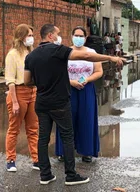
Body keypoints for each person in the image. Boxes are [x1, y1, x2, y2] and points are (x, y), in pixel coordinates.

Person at [24, 24, 125, 186]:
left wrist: (43, 83)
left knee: (43, 138)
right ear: (50, 36)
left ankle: (45, 175)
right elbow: (85, 57)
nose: (59, 37)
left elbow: (27, 81)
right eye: (57, 34)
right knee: (68, 135)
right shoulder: (58, 51)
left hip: (42, 102)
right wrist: (110, 58)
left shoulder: (31, 56)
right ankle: (71, 175)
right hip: (59, 101)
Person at [55, 26, 103, 163]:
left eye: (81, 36)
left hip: (86, 89)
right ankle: (63, 151)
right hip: (67, 89)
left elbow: (98, 71)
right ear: (71, 36)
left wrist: (86, 79)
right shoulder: (65, 52)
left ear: (85, 38)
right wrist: (71, 82)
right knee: (65, 120)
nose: (78, 38)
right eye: (76, 35)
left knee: (86, 119)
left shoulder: (91, 52)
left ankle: (86, 151)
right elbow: (58, 73)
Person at [4, 24, 39, 172]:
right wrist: (15, 102)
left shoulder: (31, 53)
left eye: (32, 35)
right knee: (14, 129)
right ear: (21, 36)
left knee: (33, 128)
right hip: (18, 92)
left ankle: (36, 159)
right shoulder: (12, 54)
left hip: (32, 91)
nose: (31, 38)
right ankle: (10, 159)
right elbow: (10, 80)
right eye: (28, 35)